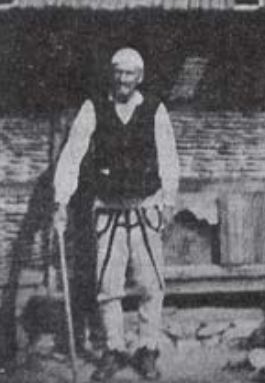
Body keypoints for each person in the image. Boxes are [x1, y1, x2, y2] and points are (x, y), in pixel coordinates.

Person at [52, 47, 179, 381]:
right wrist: (61, 200)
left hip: (145, 207)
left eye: (130, 73)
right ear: (112, 75)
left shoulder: (154, 109)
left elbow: (168, 156)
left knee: (151, 284)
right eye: (118, 72)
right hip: (107, 210)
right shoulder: (94, 107)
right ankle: (114, 349)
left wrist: (169, 200)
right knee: (108, 285)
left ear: (140, 77)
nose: (123, 79)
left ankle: (147, 349)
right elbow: (73, 153)